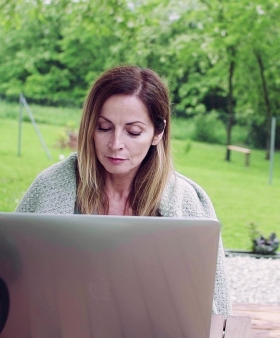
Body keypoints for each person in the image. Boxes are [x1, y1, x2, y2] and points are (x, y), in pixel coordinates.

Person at [15, 65, 232, 315]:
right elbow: (7, 285)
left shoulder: (188, 202)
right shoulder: (51, 185)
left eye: (133, 132)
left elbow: (215, 312)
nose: (116, 144)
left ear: (157, 133)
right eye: (104, 127)